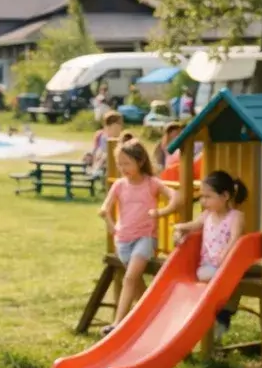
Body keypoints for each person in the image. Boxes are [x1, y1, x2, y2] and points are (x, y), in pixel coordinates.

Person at [99, 141, 182, 335]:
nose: (122, 168)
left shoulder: (151, 183)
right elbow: (104, 208)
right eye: (119, 164)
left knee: (129, 278)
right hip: (123, 241)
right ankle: (152, 317)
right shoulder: (119, 185)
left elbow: (175, 197)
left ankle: (118, 324)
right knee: (135, 282)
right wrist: (112, 226)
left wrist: (162, 212)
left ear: (141, 161)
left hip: (145, 238)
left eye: (127, 163)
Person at [172, 170, 248, 335]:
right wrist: (180, 229)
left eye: (208, 196)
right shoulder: (206, 215)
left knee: (231, 280)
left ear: (225, 196)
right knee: (205, 276)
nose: (203, 201)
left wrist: (225, 255)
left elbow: (235, 238)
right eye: (202, 196)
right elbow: (193, 225)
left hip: (227, 266)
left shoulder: (236, 217)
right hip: (208, 266)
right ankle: (220, 313)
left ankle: (224, 313)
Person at [85, 112, 124, 179]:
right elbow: (96, 148)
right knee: (99, 155)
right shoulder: (100, 135)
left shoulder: (121, 136)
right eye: (119, 123)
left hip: (110, 158)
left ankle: (95, 171)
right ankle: (95, 170)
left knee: (104, 156)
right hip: (102, 156)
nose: (121, 126)